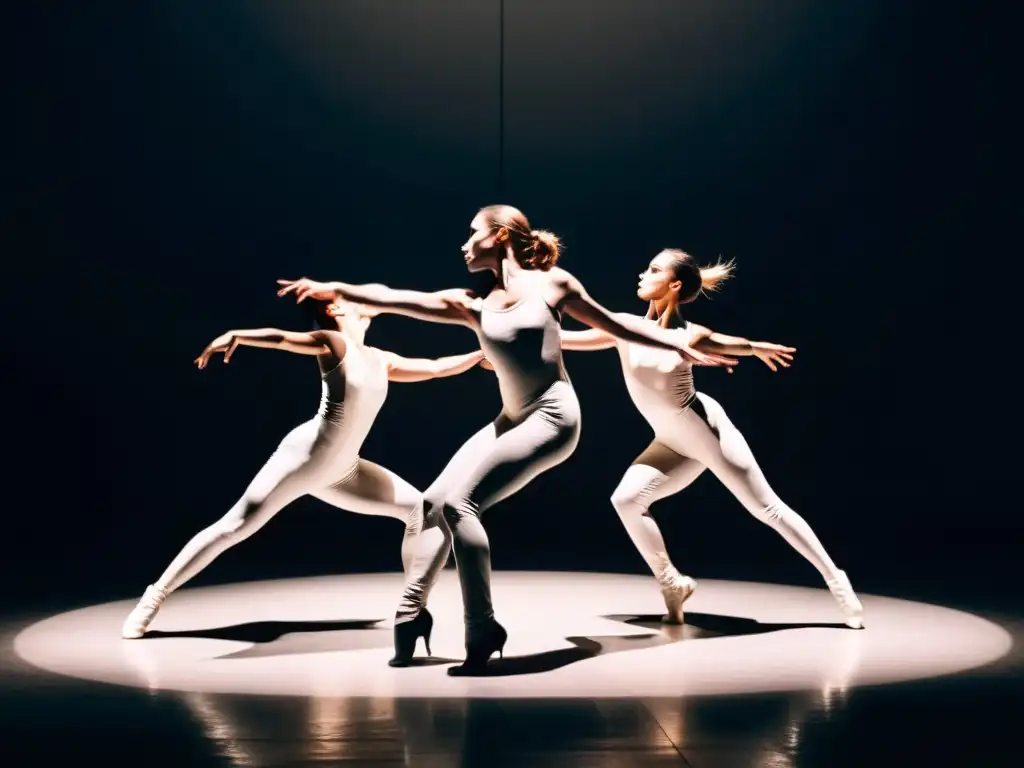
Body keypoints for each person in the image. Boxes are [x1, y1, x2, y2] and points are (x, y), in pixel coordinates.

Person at [277, 205, 738, 672]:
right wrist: (337, 289)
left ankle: (482, 626)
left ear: (499, 237)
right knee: (431, 504)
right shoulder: (471, 303)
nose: (463, 243)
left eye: (471, 233)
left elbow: (612, 325)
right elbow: (395, 297)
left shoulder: (554, 284)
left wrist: (675, 345)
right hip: (512, 418)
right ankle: (410, 615)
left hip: (555, 418)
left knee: (461, 507)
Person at [121, 300, 486, 661]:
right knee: (233, 527)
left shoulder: (379, 358)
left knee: (423, 511)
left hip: (344, 470)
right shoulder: (332, 342)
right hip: (302, 460)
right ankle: (152, 599)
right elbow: (281, 339)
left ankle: (412, 608)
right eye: (349, 299)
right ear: (334, 312)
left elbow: (437, 368)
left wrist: (484, 354)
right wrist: (236, 335)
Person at [559, 249, 864, 628]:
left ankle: (836, 579)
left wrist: (754, 348)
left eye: (653, 269)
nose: (641, 274)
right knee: (625, 499)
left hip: (707, 433)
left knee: (766, 508)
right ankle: (673, 583)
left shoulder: (690, 335)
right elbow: (562, 339)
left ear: (673, 285)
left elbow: (726, 341)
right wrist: (504, 332)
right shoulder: (623, 327)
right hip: (670, 442)